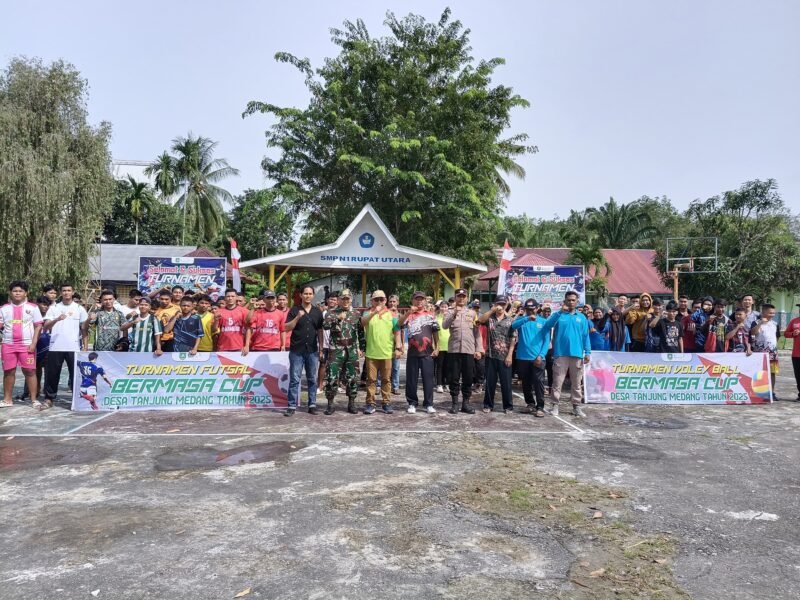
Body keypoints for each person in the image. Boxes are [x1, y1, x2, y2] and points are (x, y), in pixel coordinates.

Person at [541, 291, 591, 417]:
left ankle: (576, 406)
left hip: (577, 354)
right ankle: (554, 406)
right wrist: (559, 312)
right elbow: (547, 325)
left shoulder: (582, 317)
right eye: (568, 300)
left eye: (573, 300)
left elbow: (586, 336)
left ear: (577, 302)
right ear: (564, 301)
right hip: (560, 353)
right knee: (557, 382)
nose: (571, 302)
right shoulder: (558, 315)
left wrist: (587, 352)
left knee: (576, 383)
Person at [42, 283, 88, 409]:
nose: (66, 293)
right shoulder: (54, 308)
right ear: (61, 293)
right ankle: (49, 398)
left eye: (69, 290)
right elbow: (45, 327)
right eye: (64, 290)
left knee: (75, 374)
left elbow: (84, 329)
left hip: (73, 347)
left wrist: (85, 346)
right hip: (56, 346)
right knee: (52, 374)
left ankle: (76, 398)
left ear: (72, 292)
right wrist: (56, 319)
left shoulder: (79, 308)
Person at [0, 281, 43, 408]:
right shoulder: (3, 309)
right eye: (15, 291)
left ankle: (34, 400)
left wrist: (34, 343)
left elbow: (38, 326)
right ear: (10, 293)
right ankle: (7, 400)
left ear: (26, 293)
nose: (17, 293)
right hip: (8, 345)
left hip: (27, 345)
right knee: (8, 371)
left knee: (30, 371)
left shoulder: (33, 308)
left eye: (20, 291)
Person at [321, 288, 364, 415]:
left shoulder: (356, 314)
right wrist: (337, 318)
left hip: (351, 350)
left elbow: (360, 332)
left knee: (353, 378)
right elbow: (325, 326)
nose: (345, 301)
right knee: (331, 378)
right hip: (336, 351)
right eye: (343, 299)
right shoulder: (331, 313)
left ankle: (351, 403)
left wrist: (362, 347)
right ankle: (330, 404)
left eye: (347, 299)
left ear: (351, 300)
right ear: (339, 300)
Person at [284, 285, 324, 415]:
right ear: (301, 295)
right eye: (305, 293)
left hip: (312, 350)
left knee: (312, 378)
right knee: (295, 379)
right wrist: (297, 318)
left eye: (310, 293)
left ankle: (312, 405)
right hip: (297, 350)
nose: (308, 296)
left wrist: (321, 348)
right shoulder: (294, 310)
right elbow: (286, 328)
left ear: (313, 295)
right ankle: (291, 406)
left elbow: (320, 331)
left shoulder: (317, 312)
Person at [442, 288, 483, 415]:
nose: (461, 298)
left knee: (468, 378)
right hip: (454, 350)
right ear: (455, 297)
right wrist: (454, 312)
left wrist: (479, 349)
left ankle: (466, 403)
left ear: (467, 298)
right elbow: (444, 325)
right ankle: (455, 403)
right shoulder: (449, 312)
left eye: (463, 296)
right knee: (453, 378)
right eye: (459, 296)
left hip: (468, 350)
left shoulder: (472, 313)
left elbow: (477, 333)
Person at [361, 290, 401, 414]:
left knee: (386, 380)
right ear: (372, 301)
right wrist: (374, 313)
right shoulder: (367, 313)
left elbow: (397, 332)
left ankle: (386, 402)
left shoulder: (392, 315)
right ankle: (370, 403)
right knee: (371, 380)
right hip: (371, 353)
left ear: (385, 300)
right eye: (376, 299)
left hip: (386, 353)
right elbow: (363, 322)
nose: (379, 301)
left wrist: (398, 348)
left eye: (381, 299)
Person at [399, 291, 439, 414]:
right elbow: (399, 324)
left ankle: (429, 404)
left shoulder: (431, 315)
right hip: (412, 353)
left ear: (425, 301)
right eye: (417, 299)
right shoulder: (409, 315)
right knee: (411, 380)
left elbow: (435, 332)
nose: (419, 301)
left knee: (428, 380)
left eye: (421, 299)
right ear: (413, 301)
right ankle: (412, 403)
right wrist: (408, 313)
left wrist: (437, 347)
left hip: (427, 353)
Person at [478, 296, 517, 413]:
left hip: (505, 356)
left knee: (506, 383)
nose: (501, 306)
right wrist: (492, 310)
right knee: (490, 382)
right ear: (495, 304)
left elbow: (513, 338)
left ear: (506, 305)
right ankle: (488, 405)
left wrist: (510, 355)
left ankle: (508, 406)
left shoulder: (510, 320)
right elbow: (480, 320)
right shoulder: (490, 318)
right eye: (499, 304)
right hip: (490, 355)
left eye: (503, 304)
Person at [512, 298, 550, 417]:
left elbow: (546, 341)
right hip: (522, 357)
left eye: (532, 309)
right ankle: (530, 404)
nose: (530, 311)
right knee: (526, 383)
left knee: (538, 383)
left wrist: (541, 355)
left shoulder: (543, 322)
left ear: (537, 308)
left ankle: (540, 407)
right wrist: (527, 318)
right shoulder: (522, 320)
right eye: (528, 309)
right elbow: (513, 326)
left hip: (538, 358)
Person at [18, 296, 51, 404]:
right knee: (31, 370)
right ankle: (29, 392)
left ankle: (47, 394)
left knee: (48, 371)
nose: (45, 307)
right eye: (43, 304)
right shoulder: (31, 314)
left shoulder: (50, 316)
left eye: (47, 305)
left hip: (46, 347)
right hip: (32, 345)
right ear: (37, 304)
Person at [750, 304, 780, 400]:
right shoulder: (755, 322)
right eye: (770, 313)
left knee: (772, 373)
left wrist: (773, 348)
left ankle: (771, 393)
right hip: (759, 353)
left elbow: (777, 336)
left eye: (773, 313)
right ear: (763, 312)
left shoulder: (775, 324)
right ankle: (758, 393)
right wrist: (760, 323)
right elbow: (753, 333)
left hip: (772, 353)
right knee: (759, 373)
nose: (772, 315)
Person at [317, 293, 339, 394]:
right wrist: (321, 347)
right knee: (323, 364)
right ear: (327, 300)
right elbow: (320, 330)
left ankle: (336, 385)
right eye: (331, 299)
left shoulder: (339, 313)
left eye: (334, 300)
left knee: (337, 365)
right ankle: (320, 386)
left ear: (337, 301)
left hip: (337, 344)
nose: (332, 301)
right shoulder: (323, 314)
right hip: (325, 344)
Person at [215, 288, 249, 352]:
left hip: (239, 347)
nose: (230, 298)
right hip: (223, 347)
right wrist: (216, 320)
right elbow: (214, 330)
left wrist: (247, 345)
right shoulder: (219, 311)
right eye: (228, 296)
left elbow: (248, 329)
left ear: (236, 297)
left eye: (232, 296)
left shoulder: (244, 311)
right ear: (225, 298)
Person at [784, 304, 800, 401]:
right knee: (798, 376)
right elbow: (786, 334)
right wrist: (793, 334)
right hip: (796, 354)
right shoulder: (794, 321)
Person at [434, 300, 450, 393]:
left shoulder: (451, 318)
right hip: (440, 345)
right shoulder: (436, 318)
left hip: (450, 345)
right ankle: (439, 384)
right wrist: (436, 345)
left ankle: (446, 383)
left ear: (448, 308)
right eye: (442, 307)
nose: (444, 309)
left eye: (445, 307)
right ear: (439, 308)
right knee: (439, 365)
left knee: (448, 366)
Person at [472, 299, 488, 393]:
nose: (476, 309)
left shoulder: (484, 321)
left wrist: (484, 348)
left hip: (482, 347)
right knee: (472, 367)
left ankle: (480, 383)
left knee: (480, 367)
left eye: (477, 308)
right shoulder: (470, 318)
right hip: (471, 347)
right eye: (475, 307)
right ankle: (474, 382)